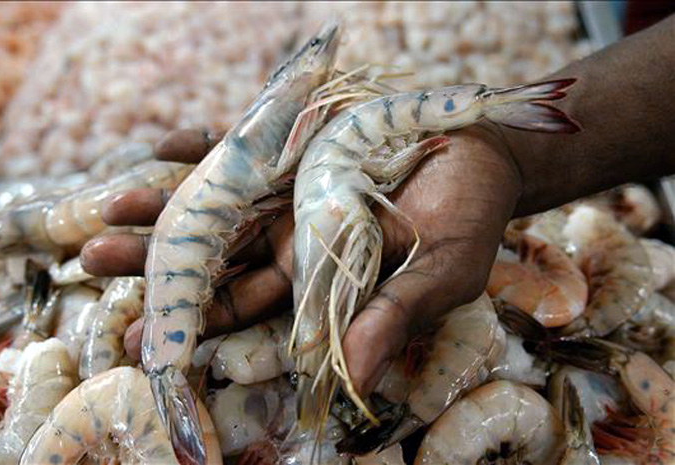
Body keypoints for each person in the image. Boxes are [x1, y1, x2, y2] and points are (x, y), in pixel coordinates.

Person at [80, 16, 675, 399]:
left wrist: (509, 157)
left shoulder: (309, 147)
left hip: (275, 195)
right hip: (221, 231)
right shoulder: (303, 150)